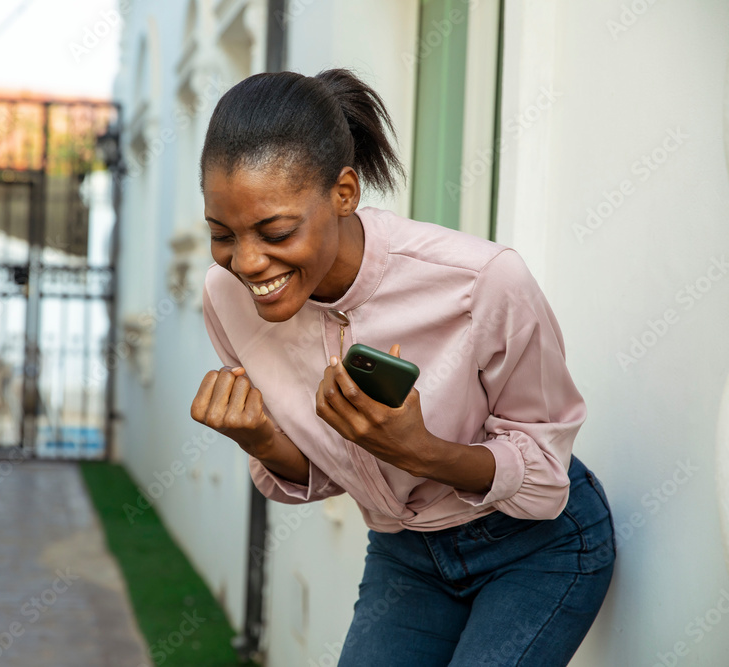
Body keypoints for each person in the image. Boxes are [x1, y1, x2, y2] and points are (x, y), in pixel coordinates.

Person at [189, 68, 616, 666]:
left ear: (344, 193)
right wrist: (263, 440)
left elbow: (546, 478)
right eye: (221, 234)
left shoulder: (483, 282)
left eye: (276, 231)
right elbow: (330, 471)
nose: (248, 262)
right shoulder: (227, 300)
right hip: (406, 553)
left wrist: (418, 451)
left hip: (536, 546)